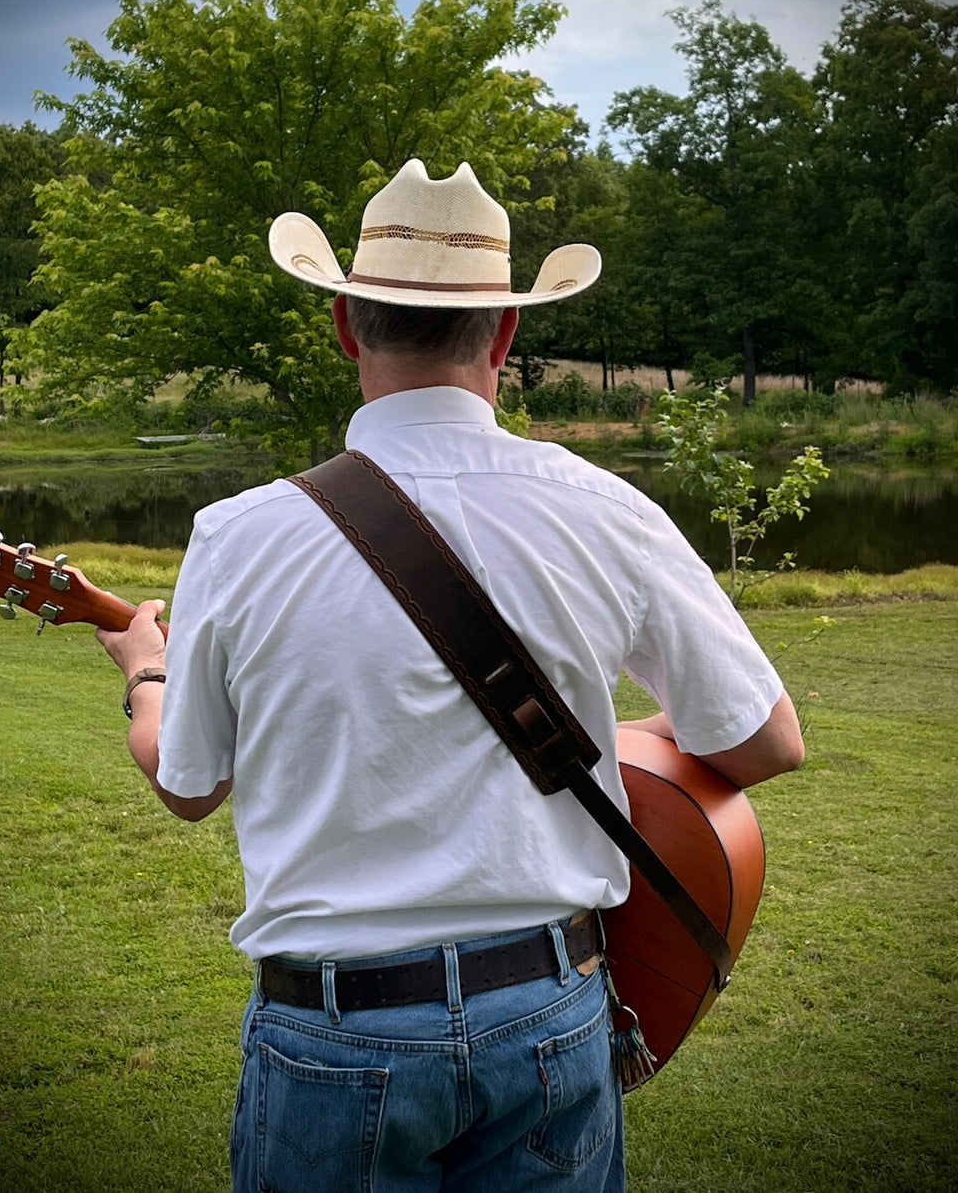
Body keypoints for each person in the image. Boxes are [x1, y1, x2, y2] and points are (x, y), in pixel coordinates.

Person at [96, 159, 804, 1192]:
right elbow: (765, 741)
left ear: (345, 325)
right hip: (551, 1014)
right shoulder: (608, 509)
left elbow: (189, 786)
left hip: (335, 1033)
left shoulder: (236, 535)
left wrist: (145, 673)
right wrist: (625, 746)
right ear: (506, 336)